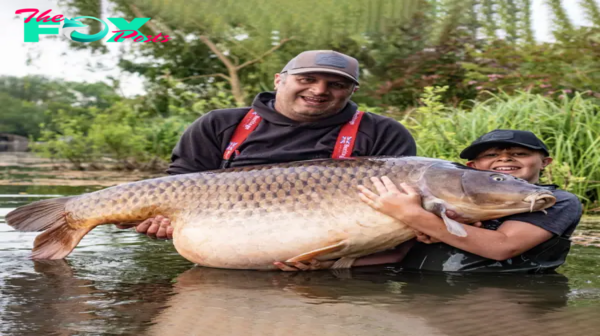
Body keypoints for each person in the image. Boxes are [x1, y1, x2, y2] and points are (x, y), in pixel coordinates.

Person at [127, 50, 417, 239]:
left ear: (352, 90)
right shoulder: (219, 124)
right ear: (279, 80)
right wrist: (162, 221)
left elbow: (401, 209)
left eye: (336, 85)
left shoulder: (383, 132)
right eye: (307, 79)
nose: (319, 90)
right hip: (228, 241)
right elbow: (179, 185)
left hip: (336, 248)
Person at [278, 129, 583, 273]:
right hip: (420, 295)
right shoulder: (444, 205)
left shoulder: (556, 200)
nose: (504, 159)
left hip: (499, 298)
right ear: (471, 168)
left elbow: (501, 246)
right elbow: (401, 256)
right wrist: (332, 264)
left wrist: (412, 215)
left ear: (545, 162)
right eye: (491, 156)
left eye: (519, 154)